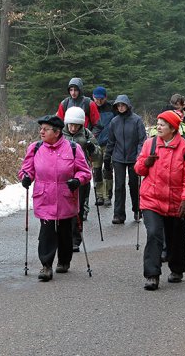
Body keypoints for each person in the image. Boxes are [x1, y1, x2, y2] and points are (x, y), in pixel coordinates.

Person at [19, 115, 92, 281]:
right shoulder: (35, 148)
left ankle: (64, 261)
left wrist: (77, 180)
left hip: (66, 196)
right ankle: (46, 265)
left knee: (65, 231)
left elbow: (85, 172)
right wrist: (26, 177)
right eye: (41, 129)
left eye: (46, 129)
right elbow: (26, 169)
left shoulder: (73, 148)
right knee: (47, 231)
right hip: (44, 196)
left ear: (57, 132)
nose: (41, 132)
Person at [135, 110, 185, 290]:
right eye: (158, 123)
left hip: (176, 201)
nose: (158, 127)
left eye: (162, 124)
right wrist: (146, 162)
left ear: (172, 128)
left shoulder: (184, 148)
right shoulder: (150, 144)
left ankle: (177, 269)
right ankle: (152, 275)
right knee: (154, 233)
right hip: (151, 199)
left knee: (175, 237)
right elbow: (138, 170)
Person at [62, 107, 101, 252]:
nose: (72, 128)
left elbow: (97, 156)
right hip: (64, 175)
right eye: (70, 125)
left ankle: (75, 240)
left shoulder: (86, 134)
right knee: (63, 208)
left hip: (81, 175)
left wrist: (92, 148)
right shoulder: (60, 133)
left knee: (77, 209)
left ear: (81, 124)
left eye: (75, 125)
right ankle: (63, 237)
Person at [104, 94, 147, 224]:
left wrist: (139, 154)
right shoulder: (114, 121)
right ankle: (118, 215)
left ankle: (137, 209)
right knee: (119, 185)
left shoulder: (137, 120)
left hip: (134, 157)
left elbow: (142, 140)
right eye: (118, 105)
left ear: (128, 105)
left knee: (134, 184)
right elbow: (111, 141)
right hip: (118, 157)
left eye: (123, 105)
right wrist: (107, 156)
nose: (121, 107)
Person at [90, 86, 115, 207]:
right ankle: (99, 195)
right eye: (96, 98)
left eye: (101, 99)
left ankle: (108, 195)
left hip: (108, 143)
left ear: (105, 97)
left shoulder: (112, 108)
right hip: (95, 144)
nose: (98, 101)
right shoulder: (91, 108)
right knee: (97, 170)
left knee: (108, 169)